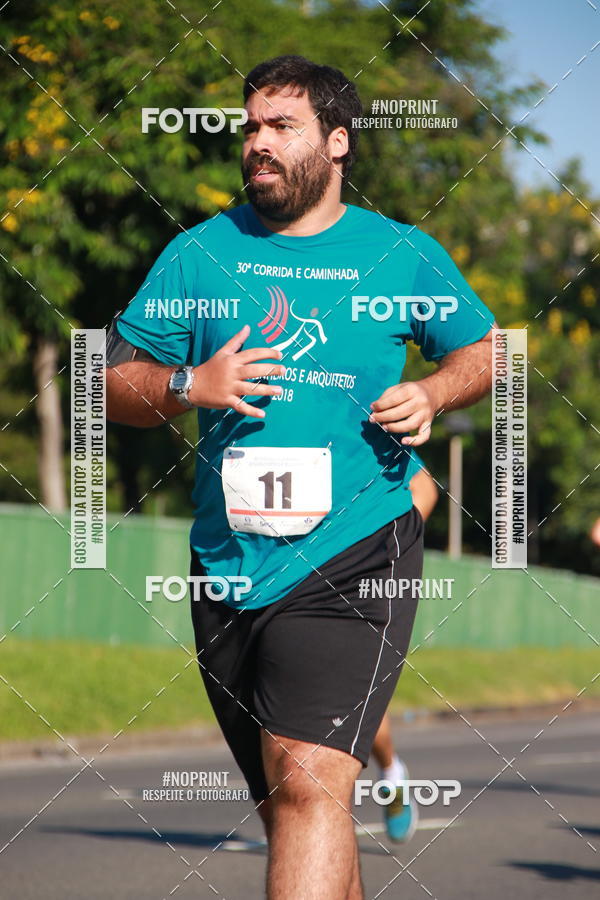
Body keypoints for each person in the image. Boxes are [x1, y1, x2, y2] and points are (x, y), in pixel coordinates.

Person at [106, 54, 495, 900]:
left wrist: (433, 388)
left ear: (339, 143)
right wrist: (187, 385)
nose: (257, 142)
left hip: (358, 547)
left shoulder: (399, 254)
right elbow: (112, 382)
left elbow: (484, 348)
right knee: (298, 805)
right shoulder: (199, 254)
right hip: (227, 570)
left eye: (282, 126)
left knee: (309, 783)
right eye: (250, 126)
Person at [370, 462, 439, 843]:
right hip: (277, 581)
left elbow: (425, 488)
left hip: (354, 589)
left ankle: (391, 773)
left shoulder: (357, 408)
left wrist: (378, 555)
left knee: (358, 698)